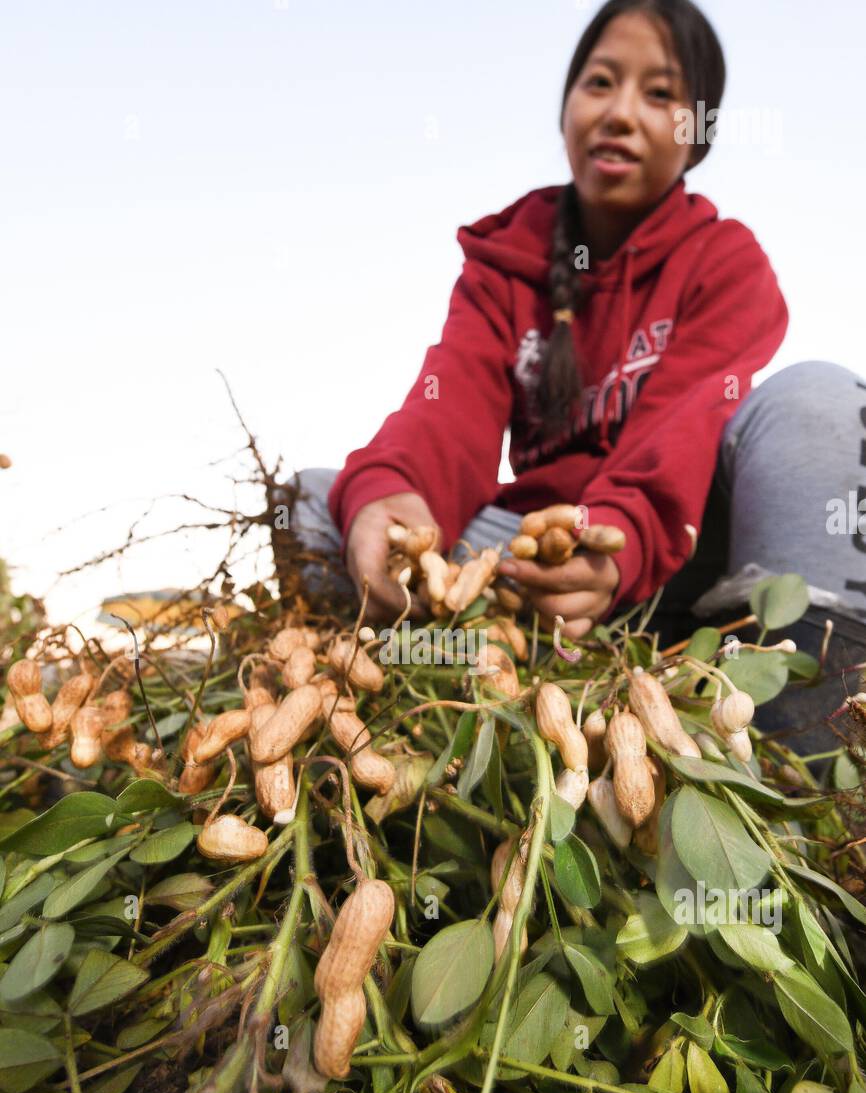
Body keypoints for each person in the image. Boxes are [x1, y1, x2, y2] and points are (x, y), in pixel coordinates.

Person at [291, 0, 866, 751]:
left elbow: (689, 417)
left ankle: (810, 726)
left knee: (818, 398)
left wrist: (617, 538)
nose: (621, 113)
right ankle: (475, 656)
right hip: (538, 575)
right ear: (566, 107)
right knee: (314, 501)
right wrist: (397, 494)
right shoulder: (507, 263)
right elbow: (450, 407)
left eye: (660, 95)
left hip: (675, 557)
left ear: (699, 136)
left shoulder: (723, 260)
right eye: (600, 83)